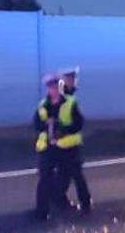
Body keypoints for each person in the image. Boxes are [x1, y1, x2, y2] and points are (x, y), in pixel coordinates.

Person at [31, 73, 89, 220]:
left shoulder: (70, 102)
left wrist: (62, 130)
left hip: (68, 146)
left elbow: (78, 124)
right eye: (51, 87)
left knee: (75, 176)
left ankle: (85, 205)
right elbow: (36, 124)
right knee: (45, 179)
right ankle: (42, 212)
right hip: (47, 147)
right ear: (48, 89)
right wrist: (47, 126)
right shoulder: (43, 105)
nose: (54, 90)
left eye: (56, 87)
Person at [55, 66, 89, 209]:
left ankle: (62, 201)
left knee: (67, 175)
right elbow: (78, 123)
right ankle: (84, 204)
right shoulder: (65, 100)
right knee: (72, 175)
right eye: (70, 78)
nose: (74, 81)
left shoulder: (67, 98)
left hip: (67, 143)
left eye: (74, 78)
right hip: (65, 144)